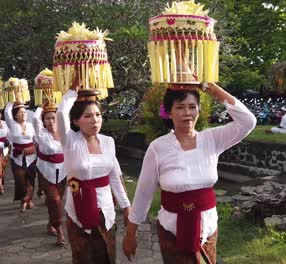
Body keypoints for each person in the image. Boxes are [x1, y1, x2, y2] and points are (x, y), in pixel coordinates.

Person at [123, 83, 256, 263]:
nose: (187, 113)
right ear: (169, 113)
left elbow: (248, 122)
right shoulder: (158, 147)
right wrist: (131, 233)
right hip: (171, 231)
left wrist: (214, 91)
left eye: (192, 107)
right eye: (180, 107)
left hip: (207, 230)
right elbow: (144, 193)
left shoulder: (212, 139)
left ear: (199, 110)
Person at [57, 80, 131, 263]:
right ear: (76, 120)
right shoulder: (70, 142)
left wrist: (126, 206)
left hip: (105, 210)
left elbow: (115, 177)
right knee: (83, 256)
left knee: (107, 255)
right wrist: (72, 91)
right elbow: (60, 113)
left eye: (98, 115)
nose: (95, 120)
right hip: (78, 207)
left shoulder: (108, 142)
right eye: (88, 116)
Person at [32, 102, 67, 246]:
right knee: (55, 201)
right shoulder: (41, 134)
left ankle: (50, 223)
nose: (51, 121)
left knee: (56, 201)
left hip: (63, 173)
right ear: (43, 121)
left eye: (54, 118)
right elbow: (35, 119)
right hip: (46, 173)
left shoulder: (65, 133)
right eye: (47, 119)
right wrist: (41, 106)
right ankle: (60, 231)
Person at [5, 101, 37, 212]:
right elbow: (6, 111)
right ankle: (23, 200)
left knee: (31, 179)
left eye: (24, 112)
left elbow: (36, 140)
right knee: (20, 180)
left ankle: (29, 199)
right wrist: (11, 100)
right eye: (20, 113)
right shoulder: (12, 124)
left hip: (31, 156)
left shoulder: (31, 125)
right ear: (15, 115)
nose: (23, 114)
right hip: (17, 157)